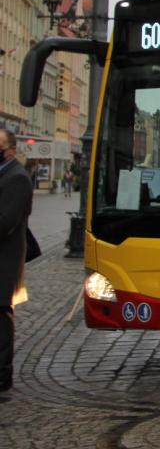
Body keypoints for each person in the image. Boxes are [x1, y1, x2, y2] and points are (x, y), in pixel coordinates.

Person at [0, 128, 35, 393]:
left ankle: (2, 376)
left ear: (11, 150)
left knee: (1, 317)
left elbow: (5, 223)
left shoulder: (17, 178)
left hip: (4, 261)